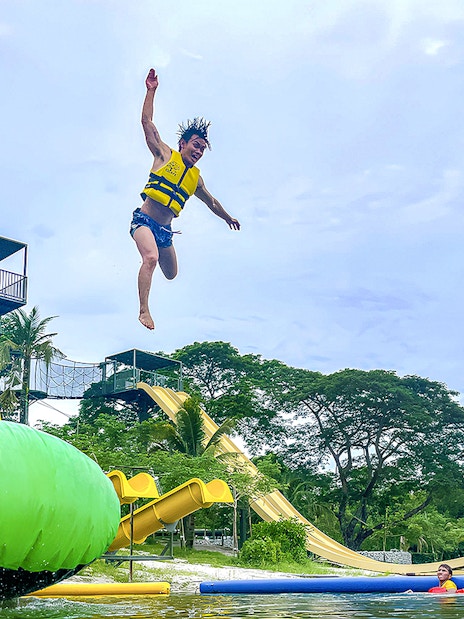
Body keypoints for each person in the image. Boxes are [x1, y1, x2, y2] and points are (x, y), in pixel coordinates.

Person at [130, 68, 240, 330]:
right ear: (183, 143)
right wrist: (151, 91)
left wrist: (228, 218)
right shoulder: (164, 155)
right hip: (144, 221)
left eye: (203, 148)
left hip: (165, 230)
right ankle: (144, 310)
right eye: (195, 145)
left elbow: (212, 202)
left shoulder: (196, 179)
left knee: (171, 274)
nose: (199, 151)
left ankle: (161, 248)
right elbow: (147, 123)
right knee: (151, 259)